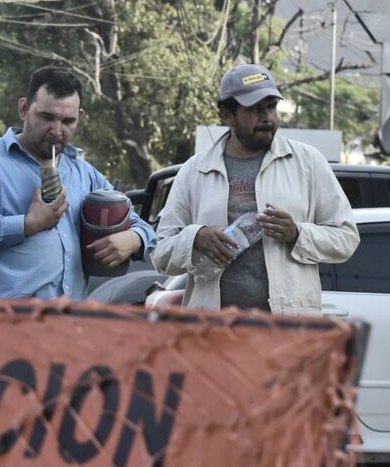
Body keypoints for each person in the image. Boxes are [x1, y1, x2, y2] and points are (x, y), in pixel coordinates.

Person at [0, 65, 155, 300]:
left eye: (68, 121)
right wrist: (25, 225)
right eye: (47, 117)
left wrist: (134, 238)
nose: (56, 131)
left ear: (80, 117)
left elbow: (141, 227)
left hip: (63, 325)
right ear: (24, 109)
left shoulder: (84, 173)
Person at [151, 63, 359, 315]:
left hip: (284, 331)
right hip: (215, 332)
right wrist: (196, 238)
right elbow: (160, 253)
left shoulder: (308, 162)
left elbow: (347, 238)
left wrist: (296, 233)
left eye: (271, 107)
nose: (267, 118)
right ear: (227, 115)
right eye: (254, 109)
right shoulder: (195, 170)